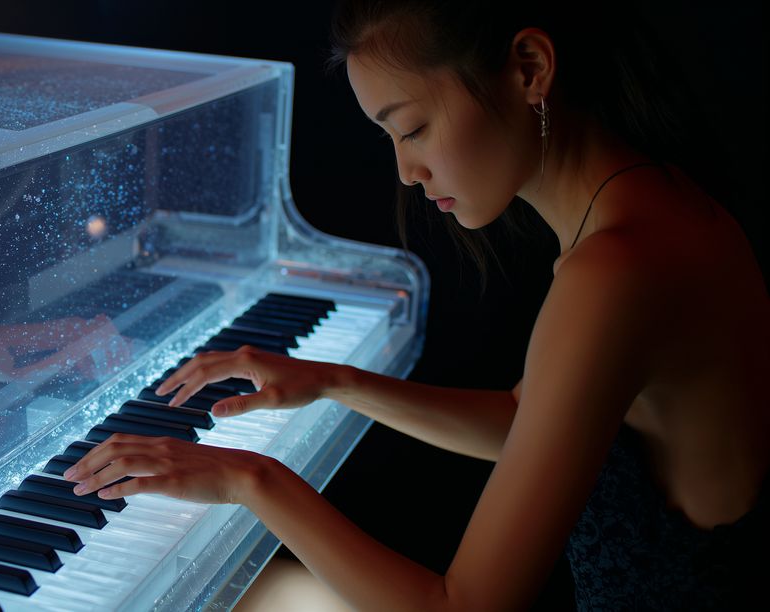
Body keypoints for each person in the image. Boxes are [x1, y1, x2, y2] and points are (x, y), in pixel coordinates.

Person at [63, 0, 770, 609]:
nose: (406, 171)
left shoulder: (615, 272)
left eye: (412, 128)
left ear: (528, 68)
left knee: (245, 597)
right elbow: (534, 420)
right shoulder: (648, 206)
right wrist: (336, 382)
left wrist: (251, 480)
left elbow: (465, 606)